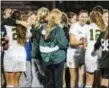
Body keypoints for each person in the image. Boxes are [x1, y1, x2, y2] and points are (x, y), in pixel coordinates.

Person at [39, 9, 69, 88]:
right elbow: (63, 43)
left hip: (46, 58)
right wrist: (67, 44)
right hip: (57, 58)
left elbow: (41, 44)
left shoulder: (43, 27)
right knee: (58, 82)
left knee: (51, 81)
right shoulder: (58, 29)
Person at [67, 10, 88, 88]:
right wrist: (83, 42)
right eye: (82, 16)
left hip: (83, 55)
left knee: (83, 76)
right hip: (73, 55)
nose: (84, 19)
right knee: (74, 78)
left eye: (86, 17)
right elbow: (72, 42)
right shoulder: (74, 26)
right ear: (78, 17)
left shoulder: (87, 27)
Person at [85, 11, 105, 88]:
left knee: (89, 79)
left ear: (91, 18)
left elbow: (84, 42)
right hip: (101, 54)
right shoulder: (103, 28)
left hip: (90, 53)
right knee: (101, 78)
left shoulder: (87, 27)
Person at [30, 7, 49, 87]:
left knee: (36, 78)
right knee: (44, 79)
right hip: (41, 55)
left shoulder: (35, 25)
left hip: (34, 53)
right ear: (45, 15)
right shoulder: (44, 26)